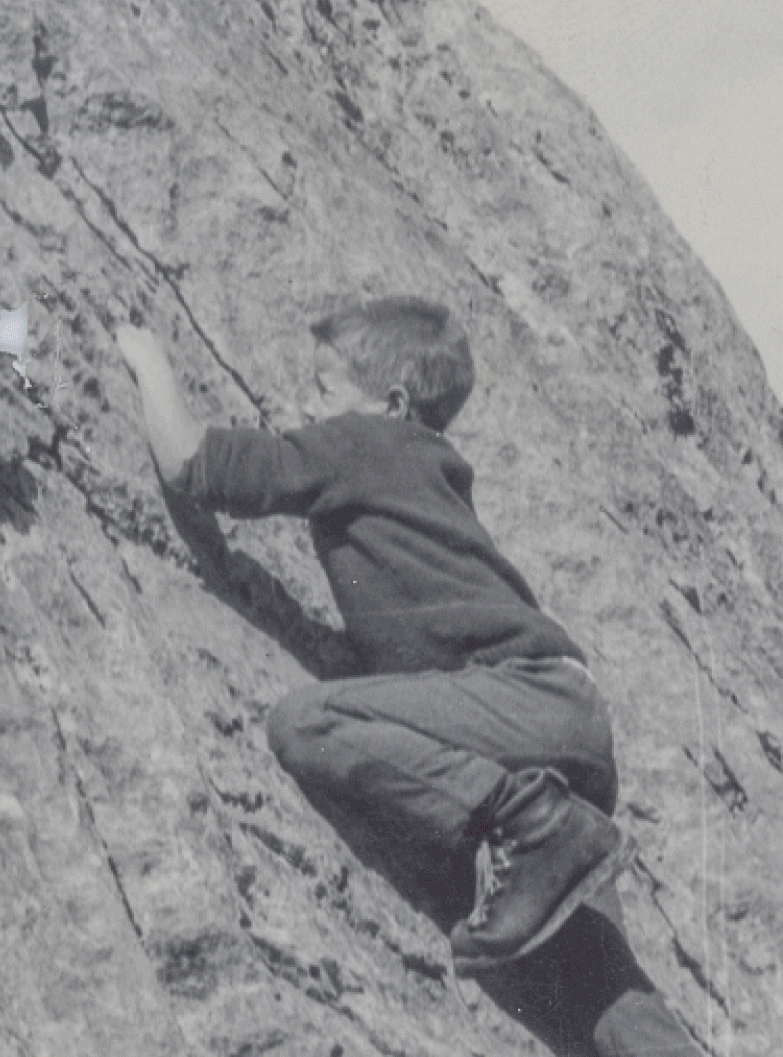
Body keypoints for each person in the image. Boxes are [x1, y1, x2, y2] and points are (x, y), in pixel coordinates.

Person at [117, 299, 694, 1055]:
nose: (305, 406)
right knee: (605, 995)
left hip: (520, 713)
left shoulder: (362, 444)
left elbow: (192, 461)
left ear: (390, 405)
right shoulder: (428, 474)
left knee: (308, 721)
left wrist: (146, 356)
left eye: (323, 387)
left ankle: (525, 818)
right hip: (563, 729)